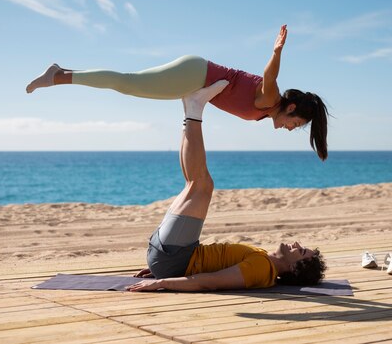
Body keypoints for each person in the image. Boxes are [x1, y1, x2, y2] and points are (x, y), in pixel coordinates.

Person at [126, 81, 326, 292]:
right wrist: (161, 269)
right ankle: (190, 110)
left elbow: (209, 281)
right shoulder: (263, 259)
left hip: (176, 257)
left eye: (301, 251)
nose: (296, 243)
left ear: (293, 268)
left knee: (201, 184)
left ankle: (193, 109)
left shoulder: (261, 269)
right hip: (175, 257)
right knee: (195, 184)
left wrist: (162, 280)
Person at [26, 25, 329, 160]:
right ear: (291, 110)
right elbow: (269, 75)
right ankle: (59, 76)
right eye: (296, 124)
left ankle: (62, 72)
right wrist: (277, 51)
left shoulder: (265, 112)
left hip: (195, 78)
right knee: (127, 83)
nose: (291, 129)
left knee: (128, 83)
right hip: (195, 74)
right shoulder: (271, 100)